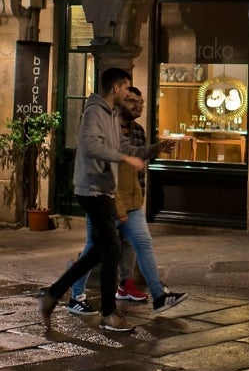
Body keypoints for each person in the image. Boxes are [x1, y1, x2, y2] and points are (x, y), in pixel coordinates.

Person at [38, 68, 175, 332]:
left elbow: (122, 147)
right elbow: (91, 146)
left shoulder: (111, 115)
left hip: (103, 189)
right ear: (116, 88)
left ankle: (53, 294)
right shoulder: (94, 112)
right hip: (91, 188)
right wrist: (124, 159)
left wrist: (154, 149)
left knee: (99, 251)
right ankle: (109, 315)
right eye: (126, 89)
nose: (127, 94)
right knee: (111, 249)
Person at [67, 87, 188, 315]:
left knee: (143, 244)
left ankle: (159, 297)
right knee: (94, 249)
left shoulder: (138, 131)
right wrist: (118, 207)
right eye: (132, 101)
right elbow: (107, 172)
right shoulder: (107, 131)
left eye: (140, 102)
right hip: (106, 201)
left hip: (131, 203)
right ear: (120, 102)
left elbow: (136, 163)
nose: (138, 106)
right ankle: (76, 296)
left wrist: (156, 149)